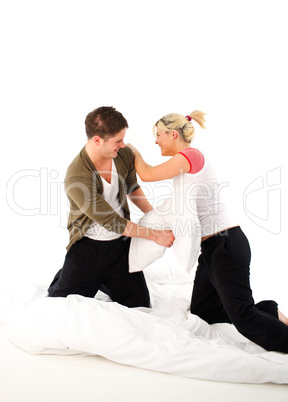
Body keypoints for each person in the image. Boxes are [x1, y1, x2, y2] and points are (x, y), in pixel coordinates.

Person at [127, 110, 288, 353]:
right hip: (213, 249)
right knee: (205, 312)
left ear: (173, 134)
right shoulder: (185, 163)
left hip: (227, 246)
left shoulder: (190, 156)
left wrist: (133, 152)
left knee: (244, 318)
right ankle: (270, 310)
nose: (156, 140)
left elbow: (147, 174)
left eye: (158, 135)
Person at [48, 106, 175, 307]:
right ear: (97, 140)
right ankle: (70, 273)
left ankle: (104, 280)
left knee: (140, 304)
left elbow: (133, 188)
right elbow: (112, 221)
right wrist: (156, 235)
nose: (124, 144)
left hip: (120, 246)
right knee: (60, 302)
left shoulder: (122, 155)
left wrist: (156, 216)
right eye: (118, 140)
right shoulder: (77, 176)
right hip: (88, 248)